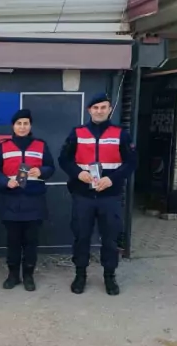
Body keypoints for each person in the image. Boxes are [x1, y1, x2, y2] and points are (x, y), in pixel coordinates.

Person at [58, 94, 137, 296]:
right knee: (81, 237)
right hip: (83, 195)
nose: (99, 111)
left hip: (109, 196)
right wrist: (79, 173)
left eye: (103, 107)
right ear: (89, 110)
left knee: (110, 239)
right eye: (95, 108)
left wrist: (112, 179)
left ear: (110, 109)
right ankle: (80, 274)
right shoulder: (77, 133)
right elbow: (64, 160)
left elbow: (131, 163)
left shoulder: (121, 134)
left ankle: (109, 276)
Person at [0, 109, 55, 292]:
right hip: (11, 201)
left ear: (30, 126)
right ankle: (12, 275)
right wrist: (5, 181)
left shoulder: (41, 145)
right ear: (13, 126)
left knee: (31, 241)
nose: (22, 127)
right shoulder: (4, 146)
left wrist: (42, 171)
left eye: (26, 123)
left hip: (34, 201)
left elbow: (51, 167)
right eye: (19, 123)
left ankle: (28, 275)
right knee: (13, 241)